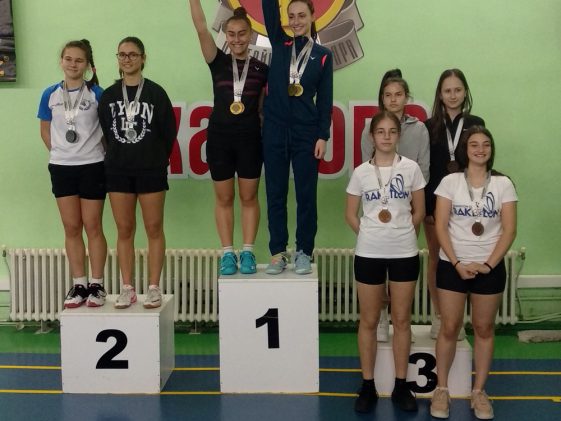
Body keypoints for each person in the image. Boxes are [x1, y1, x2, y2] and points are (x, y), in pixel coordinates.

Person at [430, 126, 517, 419]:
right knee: (450, 328)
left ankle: (479, 391)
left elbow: (509, 230)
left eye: (486, 144)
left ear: (491, 150)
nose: (480, 149)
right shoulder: (450, 182)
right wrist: (456, 263)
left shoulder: (503, 184)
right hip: (452, 266)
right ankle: (441, 389)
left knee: (484, 329)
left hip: (488, 268)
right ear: (465, 150)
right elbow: (440, 226)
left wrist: (489, 265)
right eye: (474, 145)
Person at [346, 111, 425, 414]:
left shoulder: (411, 168)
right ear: (372, 137)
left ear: (398, 135)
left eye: (392, 131)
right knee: (368, 320)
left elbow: (419, 211)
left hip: (404, 252)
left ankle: (401, 385)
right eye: (381, 132)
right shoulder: (361, 173)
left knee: (402, 320)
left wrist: (402, 233)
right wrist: (370, 234)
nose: (387, 137)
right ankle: (368, 385)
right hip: (369, 253)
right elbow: (350, 214)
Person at [188, 1, 268, 275]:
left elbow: (261, 109)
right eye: (231, 34)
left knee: (249, 196)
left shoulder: (261, 69)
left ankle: (247, 252)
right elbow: (201, 28)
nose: (236, 39)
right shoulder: (217, 61)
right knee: (223, 198)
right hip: (219, 139)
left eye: (242, 33)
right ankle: (227, 254)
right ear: (226, 36)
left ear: (250, 35)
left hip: (250, 140)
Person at [98, 36, 177, 309]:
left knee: (154, 227)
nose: (127, 59)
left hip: (151, 169)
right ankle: (127, 288)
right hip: (118, 170)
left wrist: (153, 157)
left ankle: (153, 287)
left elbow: (168, 132)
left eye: (133, 54)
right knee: (124, 229)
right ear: (117, 59)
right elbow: (104, 133)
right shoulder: (109, 95)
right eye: (122, 54)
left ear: (143, 58)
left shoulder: (156, 93)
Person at [261, 0, 333, 275]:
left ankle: (304, 251)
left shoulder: (323, 55)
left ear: (313, 16)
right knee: (275, 194)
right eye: (291, 16)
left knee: (306, 195)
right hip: (275, 131)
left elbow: (325, 100)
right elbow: (269, 9)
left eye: (302, 15)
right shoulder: (280, 43)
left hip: (306, 133)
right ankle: (278, 252)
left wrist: (322, 135)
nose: (296, 21)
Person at [361, 68, 430, 342]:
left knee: (403, 271)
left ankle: (402, 322)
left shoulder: (419, 129)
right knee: (376, 269)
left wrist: (410, 211)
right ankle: (380, 318)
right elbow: (366, 169)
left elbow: (424, 168)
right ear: (382, 98)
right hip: (378, 210)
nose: (393, 99)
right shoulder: (370, 128)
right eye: (388, 95)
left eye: (398, 94)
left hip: (408, 208)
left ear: (406, 97)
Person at [38, 39, 108, 309]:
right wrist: (62, 153)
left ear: (87, 65)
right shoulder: (50, 94)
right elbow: (45, 130)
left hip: (93, 165)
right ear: (61, 61)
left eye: (79, 60)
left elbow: (107, 132)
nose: (73, 64)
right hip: (61, 167)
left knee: (93, 226)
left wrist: (91, 153)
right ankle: (79, 284)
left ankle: (96, 284)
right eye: (68, 59)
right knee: (71, 227)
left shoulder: (97, 93)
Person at [424, 69, 485, 339]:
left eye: (457, 90)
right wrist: (428, 207)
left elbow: (480, 163)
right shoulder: (428, 127)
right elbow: (425, 169)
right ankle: (439, 316)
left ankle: (457, 319)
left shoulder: (476, 123)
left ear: (465, 92)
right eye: (447, 91)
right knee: (437, 258)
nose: (452, 95)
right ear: (440, 94)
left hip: (466, 205)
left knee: (464, 257)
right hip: (436, 203)